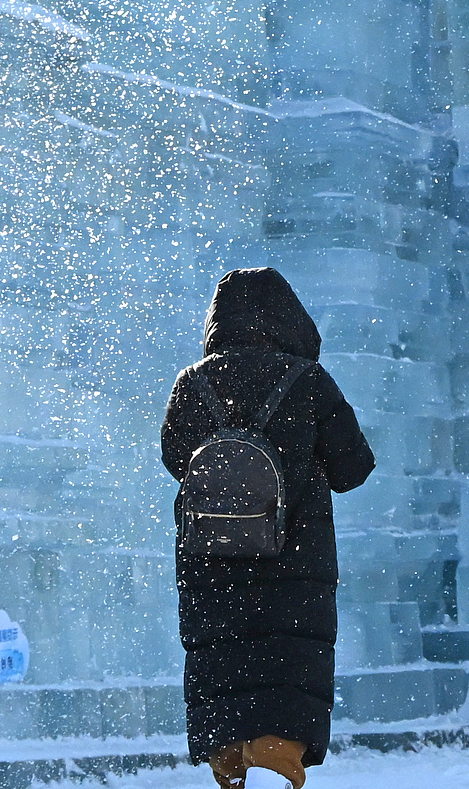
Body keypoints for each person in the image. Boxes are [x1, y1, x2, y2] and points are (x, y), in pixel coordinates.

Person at [161, 268, 376, 789]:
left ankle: (227, 751)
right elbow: (353, 469)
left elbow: (173, 458)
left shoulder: (193, 381)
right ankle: (279, 745)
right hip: (294, 560)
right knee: (288, 652)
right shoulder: (308, 381)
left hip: (210, 558)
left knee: (222, 652)